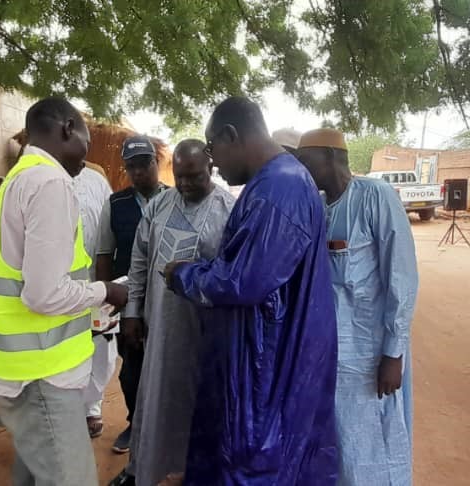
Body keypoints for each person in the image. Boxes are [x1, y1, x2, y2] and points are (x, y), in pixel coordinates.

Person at [161, 97, 339, 484]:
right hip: (267, 356)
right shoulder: (274, 183)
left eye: (213, 150)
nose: (215, 165)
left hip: (268, 367)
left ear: (231, 135)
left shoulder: (279, 189)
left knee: (255, 465)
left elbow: (244, 281)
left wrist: (184, 275)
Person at [0, 97, 128, 486]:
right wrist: (104, 290)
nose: (84, 159)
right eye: (85, 145)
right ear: (67, 129)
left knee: (35, 470)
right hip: (40, 373)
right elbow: (43, 295)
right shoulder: (50, 182)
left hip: (22, 366)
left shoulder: (18, 179)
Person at [295, 129, 419, 485]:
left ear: (332, 156)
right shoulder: (317, 206)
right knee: (341, 442)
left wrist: (394, 354)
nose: (302, 170)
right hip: (330, 354)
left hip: (370, 354)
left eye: (306, 162)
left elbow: (402, 276)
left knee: (373, 443)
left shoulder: (375, 197)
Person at [124, 140, 235, 486]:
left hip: (204, 331)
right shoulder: (159, 206)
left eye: (194, 176)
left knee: (199, 402)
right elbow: (140, 259)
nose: (185, 184)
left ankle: (196, 473)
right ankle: (148, 469)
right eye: (181, 176)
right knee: (157, 397)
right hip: (160, 325)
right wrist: (132, 310)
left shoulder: (228, 210)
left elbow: (233, 273)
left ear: (211, 169)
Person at [96, 134, 167, 456]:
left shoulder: (176, 199)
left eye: (145, 165)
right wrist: (106, 300)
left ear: (157, 163)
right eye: (132, 167)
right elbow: (103, 254)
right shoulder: (116, 204)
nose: (139, 173)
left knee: (169, 367)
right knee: (131, 371)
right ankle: (136, 425)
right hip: (130, 303)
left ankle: (166, 429)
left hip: (169, 301)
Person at [72, 159, 116, 438]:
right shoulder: (37, 178)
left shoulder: (96, 181)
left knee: (100, 344)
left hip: (94, 279)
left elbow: (107, 232)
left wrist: (105, 281)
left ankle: (92, 406)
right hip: (54, 283)